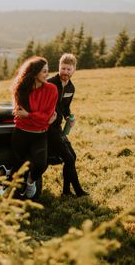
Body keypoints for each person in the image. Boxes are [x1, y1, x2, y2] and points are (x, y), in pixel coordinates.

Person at [11, 56, 58, 198]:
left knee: (40, 164)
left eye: (47, 71)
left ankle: (31, 182)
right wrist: (42, 118)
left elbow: (48, 115)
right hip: (21, 133)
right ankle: (18, 194)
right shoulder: (22, 89)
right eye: (44, 71)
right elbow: (38, 117)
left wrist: (30, 116)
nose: (47, 74)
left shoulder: (52, 90)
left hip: (40, 134)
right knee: (20, 167)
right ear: (35, 72)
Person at [47, 53, 89, 197]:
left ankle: (66, 191)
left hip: (58, 128)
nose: (65, 72)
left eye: (68, 69)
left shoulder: (71, 88)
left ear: (74, 70)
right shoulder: (50, 83)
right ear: (59, 67)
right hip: (47, 127)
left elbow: (65, 107)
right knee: (69, 158)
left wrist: (68, 117)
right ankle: (78, 191)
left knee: (72, 157)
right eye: (63, 68)